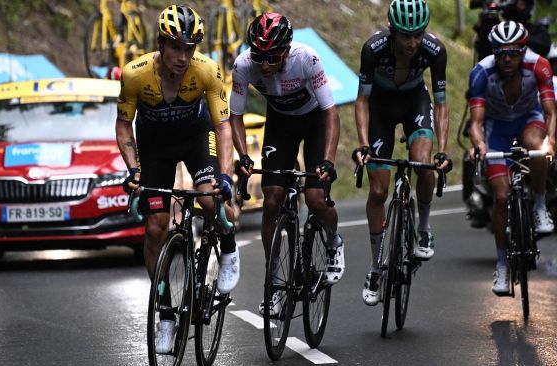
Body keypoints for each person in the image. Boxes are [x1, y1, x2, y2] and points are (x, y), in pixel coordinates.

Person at [116, 5, 240, 353]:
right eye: (176, 48)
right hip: (155, 149)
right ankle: (166, 315)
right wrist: (133, 169)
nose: (183, 57)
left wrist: (226, 176)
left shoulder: (207, 71)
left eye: (190, 48)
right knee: (156, 228)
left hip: (196, 139)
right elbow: (124, 124)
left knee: (208, 198)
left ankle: (227, 245)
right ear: (161, 45)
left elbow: (222, 125)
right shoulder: (135, 75)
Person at [229, 12, 344, 311]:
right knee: (271, 200)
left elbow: (331, 112)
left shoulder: (307, 59)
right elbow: (235, 116)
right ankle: (275, 281)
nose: (265, 66)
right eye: (259, 57)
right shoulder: (243, 66)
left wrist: (328, 161)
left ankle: (333, 241)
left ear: (286, 51)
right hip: (280, 124)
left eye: (273, 57)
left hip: (315, 122)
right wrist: (243, 155)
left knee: (317, 197)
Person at [352, 0, 451, 306]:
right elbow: (362, 101)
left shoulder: (435, 50)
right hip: (380, 107)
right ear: (393, 31)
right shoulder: (374, 49)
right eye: (406, 36)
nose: (413, 43)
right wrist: (363, 144)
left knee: (423, 164)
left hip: (414, 103)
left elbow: (441, 103)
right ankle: (376, 266)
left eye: (418, 35)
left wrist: (443, 151)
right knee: (379, 192)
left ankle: (422, 228)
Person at [467, 20, 555, 295]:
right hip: (496, 129)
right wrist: (480, 144)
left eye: (513, 53)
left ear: (523, 51)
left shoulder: (539, 65)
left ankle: (540, 206)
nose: (506, 59)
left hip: (529, 120)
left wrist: (551, 140)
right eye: (500, 53)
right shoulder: (481, 72)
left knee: (537, 146)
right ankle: (503, 265)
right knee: (502, 196)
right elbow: (476, 122)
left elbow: (551, 113)